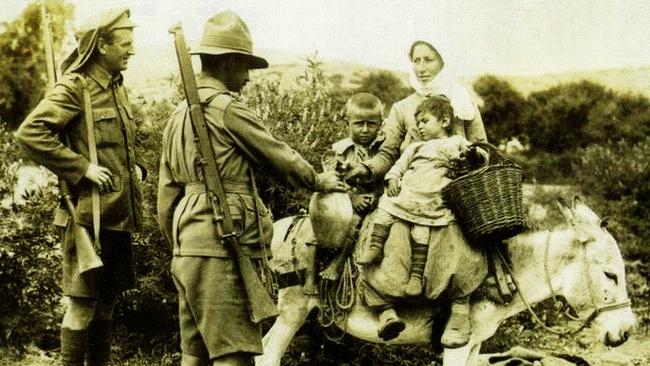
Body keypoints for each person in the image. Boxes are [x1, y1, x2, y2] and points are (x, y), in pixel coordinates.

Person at [157, 11, 346, 366]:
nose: (246, 78)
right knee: (236, 355)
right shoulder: (227, 109)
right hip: (223, 244)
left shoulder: (176, 118)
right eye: (244, 67)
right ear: (228, 62)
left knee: (194, 355)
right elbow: (277, 155)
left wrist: (183, 245)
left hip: (187, 249)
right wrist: (318, 180)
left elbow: (166, 195)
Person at [15, 8, 145, 366]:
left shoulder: (117, 87)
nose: (132, 50)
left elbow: (126, 144)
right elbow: (30, 134)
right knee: (81, 309)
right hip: (87, 218)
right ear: (101, 45)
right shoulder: (75, 86)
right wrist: (82, 168)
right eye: (125, 43)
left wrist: (138, 167)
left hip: (117, 215)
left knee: (106, 307)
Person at [358, 95, 487, 347]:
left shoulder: (456, 141)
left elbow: (481, 151)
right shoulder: (414, 144)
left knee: (452, 242)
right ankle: (377, 259)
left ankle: (456, 307)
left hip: (437, 201)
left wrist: (473, 157)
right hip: (407, 196)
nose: (419, 127)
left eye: (425, 121)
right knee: (387, 218)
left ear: (445, 121)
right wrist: (391, 178)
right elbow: (395, 160)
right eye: (417, 122)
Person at [345, 40, 487, 182]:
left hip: (458, 189)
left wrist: (472, 159)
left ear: (443, 62)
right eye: (416, 61)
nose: (421, 68)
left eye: (428, 60)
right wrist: (366, 168)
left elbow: (482, 148)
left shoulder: (463, 103)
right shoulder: (402, 108)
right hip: (413, 188)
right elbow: (388, 154)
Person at [318, 92, 385, 281]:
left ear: (381, 123)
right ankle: (337, 263)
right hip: (346, 200)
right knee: (351, 221)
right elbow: (333, 180)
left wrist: (377, 195)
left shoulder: (383, 150)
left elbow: (387, 173)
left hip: (377, 199)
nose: (365, 129)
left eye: (371, 124)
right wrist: (352, 198)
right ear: (348, 122)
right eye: (359, 123)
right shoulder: (340, 151)